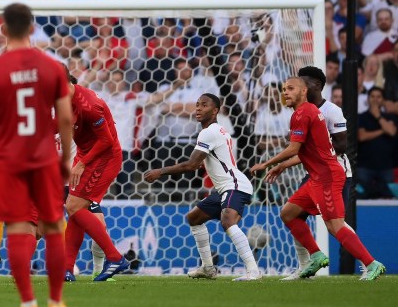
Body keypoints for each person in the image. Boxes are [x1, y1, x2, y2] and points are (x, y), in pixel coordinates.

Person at [0, 3, 74, 307]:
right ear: (32, 28)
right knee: (53, 227)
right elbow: (66, 118)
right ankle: (57, 303)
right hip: (44, 156)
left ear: (2, 29)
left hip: (9, 160)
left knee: (18, 228)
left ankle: (28, 304)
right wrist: (66, 158)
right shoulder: (52, 68)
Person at [251, 78, 385, 281]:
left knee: (335, 226)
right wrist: (281, 166)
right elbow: (307, 151)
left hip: (327, 177)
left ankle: (372, 264)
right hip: (317, 177)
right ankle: (316, 255)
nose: (285, 92)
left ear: (304, 91)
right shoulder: (308, 112)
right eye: (284, 89)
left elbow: (294, 148)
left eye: (290, 88)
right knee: (288, 213)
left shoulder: (303, 113)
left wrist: (266, 163)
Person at [144, 93, 261, 281]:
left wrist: (161, 171)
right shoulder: (216, 130)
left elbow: (191, 165)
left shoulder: (210, 132)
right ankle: (207, 268)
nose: (198, 108)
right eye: (197, 105)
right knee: (194, 217)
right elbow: (198, 163)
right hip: (226, 187)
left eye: (204, 105)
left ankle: (253, 271)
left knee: (228, 221)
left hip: (235, 185)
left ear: (215, 111)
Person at [265, 66, 352, 279]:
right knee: (292, 214)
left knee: (335, 224)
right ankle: (306, 266)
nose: (298, 87)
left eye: (303, 82)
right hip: (313, 172)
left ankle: (367, 262)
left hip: (335, 172)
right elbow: (302, 148)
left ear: (316, 86)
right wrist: (286, 163)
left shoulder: (331, 110)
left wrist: (313, 140)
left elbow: (341, 145)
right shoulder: (299, 112)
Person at [63, 81, 129, 281]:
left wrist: (82, 163)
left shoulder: (89, 106)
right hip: (85, 155)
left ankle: (115, 257)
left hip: (103, 159)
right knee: (74, 209)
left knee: (73, 206)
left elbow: (107, 141)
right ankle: (66, 269)